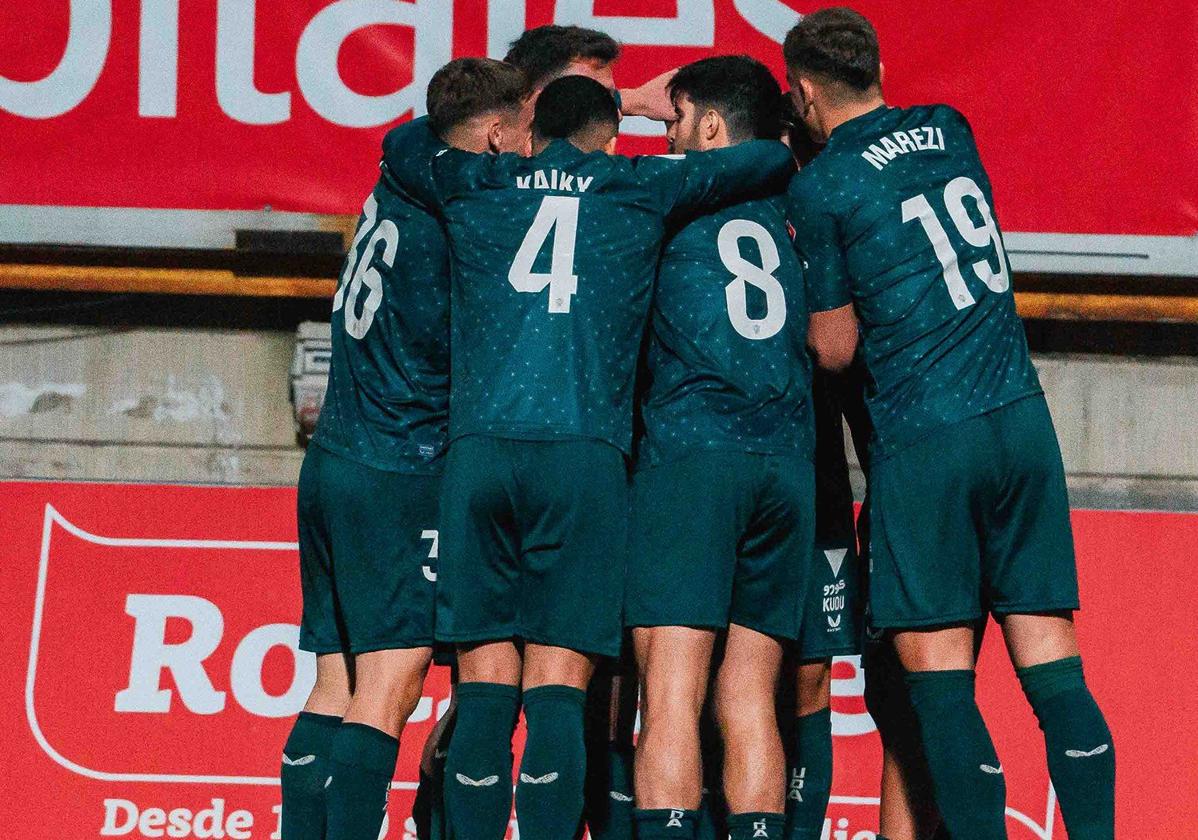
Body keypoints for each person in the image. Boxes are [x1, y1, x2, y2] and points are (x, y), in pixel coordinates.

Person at [382, 73, 794, 840]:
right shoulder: (636, 186)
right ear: (610, 134)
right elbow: (766, 158)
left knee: (484, 684)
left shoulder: (479, 182)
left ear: (531, 131)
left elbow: (402, 142)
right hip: (584, 458)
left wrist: (504, 137)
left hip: (482, 454)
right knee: (560, 690)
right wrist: (642, 116)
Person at [785, 8, 1114, 840]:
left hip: (926, 437)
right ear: (881, 69)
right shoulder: (947, 126)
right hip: (1019, 418)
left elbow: (834, 346)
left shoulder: (823, 186)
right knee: (1055, 670)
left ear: (805, 95)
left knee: (942, 689)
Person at [278, 57, 531, 840]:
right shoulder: (460, 211)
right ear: (493, 134)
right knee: (394, 677)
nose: (530, 150)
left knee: (336, 677)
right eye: (523, 133)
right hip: (397, 469)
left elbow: (412, 130)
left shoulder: (402, 164)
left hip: (332, 460)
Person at [625, 55, 811, 840]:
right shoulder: (789, 197)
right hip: (788, 466)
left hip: (695, 456)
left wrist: (612, 105)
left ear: (708, 125)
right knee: (749, 696)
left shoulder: (670, 199)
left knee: (670, 692)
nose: (668, 138)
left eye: (675, 122)